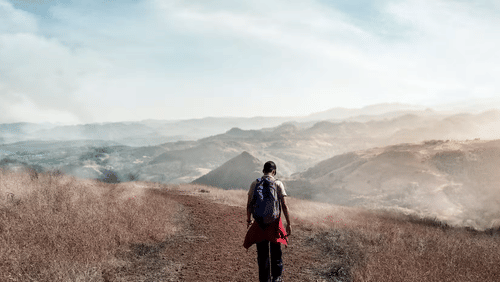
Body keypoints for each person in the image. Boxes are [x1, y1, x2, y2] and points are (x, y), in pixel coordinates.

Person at [244, 161, 291, 282]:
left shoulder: (255, 183)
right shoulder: (278, 183)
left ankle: (264, 280)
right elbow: (284, 205)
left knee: (262, 254)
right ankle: (277, 278)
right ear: (274, 172)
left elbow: (249, 205)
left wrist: (249, 219)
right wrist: (289, 224)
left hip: (259, 223)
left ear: (263, 171)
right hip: (274, 224)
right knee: (276, 253)